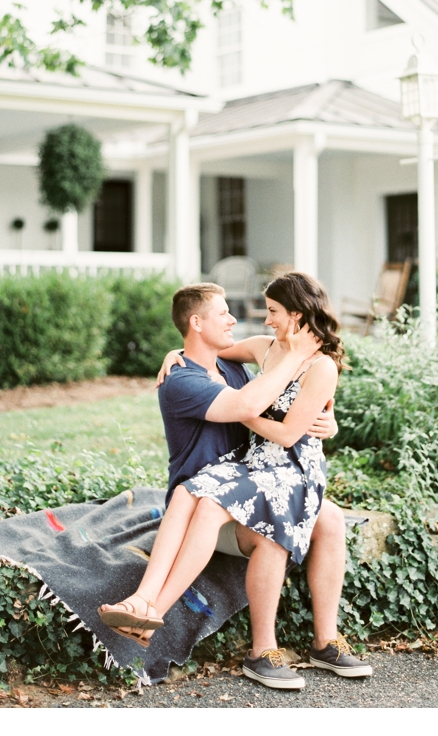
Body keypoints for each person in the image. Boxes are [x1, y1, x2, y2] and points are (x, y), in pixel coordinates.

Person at [99, 275, 371, 690]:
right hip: (254, 467)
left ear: (295, 314)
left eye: (273, 311)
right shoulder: (263, 350)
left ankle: (325, 641)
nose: (263, 319)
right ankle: (159, 613)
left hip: (289, 469)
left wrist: (240, 407)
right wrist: (175, 351)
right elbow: (207, 346)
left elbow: (283, 433)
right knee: (199, 495)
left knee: (322, 519)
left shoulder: (318, 365)